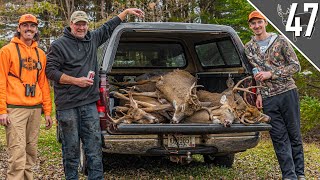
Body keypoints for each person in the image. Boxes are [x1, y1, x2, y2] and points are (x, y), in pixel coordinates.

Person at [45, 9, 144, 179]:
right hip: (68, 106)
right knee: (71, 149)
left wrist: (126, 12)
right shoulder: (58, 45)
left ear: (87, 25)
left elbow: (108, 27)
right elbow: (51, 72)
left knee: (94, 148)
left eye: (84, 24)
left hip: (89, 104)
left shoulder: (93, 38)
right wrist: (76, 81)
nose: (81, 27)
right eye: (78, 24)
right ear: (71, 25)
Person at [245, 11, 305, 180]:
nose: (257, 26)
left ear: (265, 22)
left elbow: (295, 66)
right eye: (253, 23)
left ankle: (300, 173)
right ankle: (289, 176)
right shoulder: (248, 47)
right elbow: (254, 73)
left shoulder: (279, 41)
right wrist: (257, 93)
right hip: (268, 98)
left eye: (259, 22)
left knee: (294, 134)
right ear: (250, 26)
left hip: (287, 93)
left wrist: (271, 74)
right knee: (279, 138)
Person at [0, 14, 53, 180]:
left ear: (36, 29)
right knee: (17, 152)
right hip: (15, 109)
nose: (29, 28)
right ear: (19, 28)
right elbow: (0, 81)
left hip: (35, 109)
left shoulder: (41, 54)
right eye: (25, 25)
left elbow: (43, 83)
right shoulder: (6, 51)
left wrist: (48, 111)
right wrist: (2, 110)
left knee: (31, 152)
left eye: (32, 26)